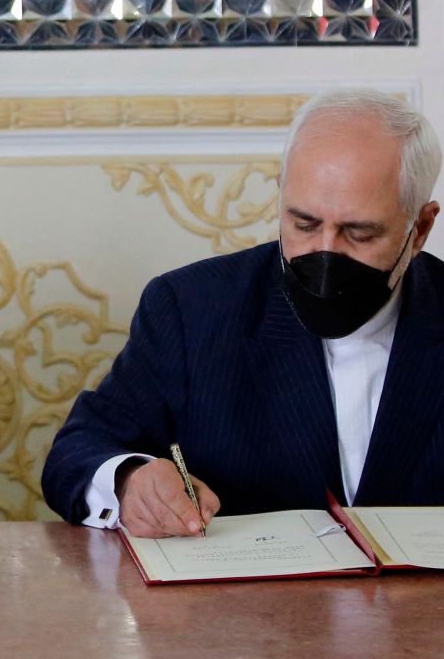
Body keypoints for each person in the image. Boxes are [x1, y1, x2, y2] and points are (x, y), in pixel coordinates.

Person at [42, 88, 443, 538]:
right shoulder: (191, 308)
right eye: (304, 224)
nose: (324, 254)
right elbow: (77, 453)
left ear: (420, 227)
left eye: (360, 233)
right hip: (241, 607)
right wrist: (129, 481)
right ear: (280, 198)